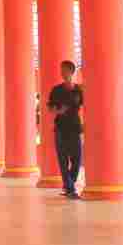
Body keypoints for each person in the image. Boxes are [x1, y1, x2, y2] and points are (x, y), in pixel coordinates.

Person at [47, 60, 84, 199]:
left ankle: (70, 184)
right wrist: (58, 110)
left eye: (64, 70)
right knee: (62, 160)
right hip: (60, 128)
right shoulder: (56, 90)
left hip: (75, 127)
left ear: (71, 71)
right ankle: (70, 188)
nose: (61, 72)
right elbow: (50, 108)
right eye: (61, 70)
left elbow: (85, 104)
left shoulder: (78, 90)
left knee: (77, 159)